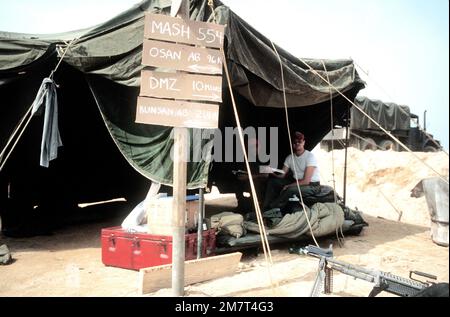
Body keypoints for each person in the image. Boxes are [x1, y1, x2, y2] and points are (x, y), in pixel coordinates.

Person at [262, 132, 321, 212]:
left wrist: (289, 186)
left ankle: (271, 209)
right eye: (295, 142)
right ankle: (265, 208)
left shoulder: (310, 157)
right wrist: (271, 171)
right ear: (292, 144)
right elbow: (282, 175)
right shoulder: (289, 158)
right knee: (272, 182)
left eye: (299, 142)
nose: (297, 144)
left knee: (290, 189)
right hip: (297, 182)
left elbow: (306, 181)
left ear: (303, 142)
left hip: (312, 186)